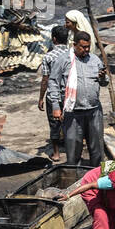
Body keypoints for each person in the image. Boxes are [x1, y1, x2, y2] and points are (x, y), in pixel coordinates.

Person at [49, 32, 109, 166]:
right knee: (73, 149)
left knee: (97, 149)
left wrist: (102, 78)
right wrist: (55, 106)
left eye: (88, 47)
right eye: (83, 47)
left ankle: (96, 178)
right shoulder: (63, 60)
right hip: (73, 113)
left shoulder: (94, 60)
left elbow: (105, 83)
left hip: (94, 111)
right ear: (74, 45)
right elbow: (53, 82)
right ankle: (74, 179)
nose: (86, 50)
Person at [37, 24, 71, 162]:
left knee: (54, 124)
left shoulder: (48, 57)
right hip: (70, 94)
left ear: (54, 39)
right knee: (70, 123)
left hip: (53, 95)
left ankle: (56, 153)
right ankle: (72, 151)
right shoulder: (72, 54)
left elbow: (45, 79)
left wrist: (40, 97)